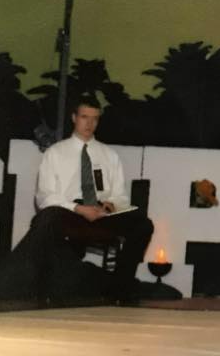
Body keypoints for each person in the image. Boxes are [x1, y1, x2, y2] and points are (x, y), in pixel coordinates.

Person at [33, 100, 154, 303]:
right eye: (84, 117)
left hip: (102, 212)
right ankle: (53, 288)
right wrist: (79, 208)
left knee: (142, 224)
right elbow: (45, 196)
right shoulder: (55, 153)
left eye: (95, 119)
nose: (89, 124)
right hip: (70, 211)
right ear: (74, 118)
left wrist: (110, 205)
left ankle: (120, 288)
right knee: (47, 219)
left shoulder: (109, 155)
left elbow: (120, 194)